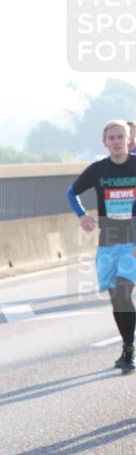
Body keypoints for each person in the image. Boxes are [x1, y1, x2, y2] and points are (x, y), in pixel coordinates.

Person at [67, 120, 136, 374]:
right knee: (115, 298)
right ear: (105, 142)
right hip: (108, 242)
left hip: (133, 239)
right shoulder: (97, 170)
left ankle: (128, 351)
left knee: (123, 291)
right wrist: (82, 215)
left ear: (128, 139)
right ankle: (129, 345)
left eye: (121, 137)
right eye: (111, 138)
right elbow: (71, 193)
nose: (116, 141)